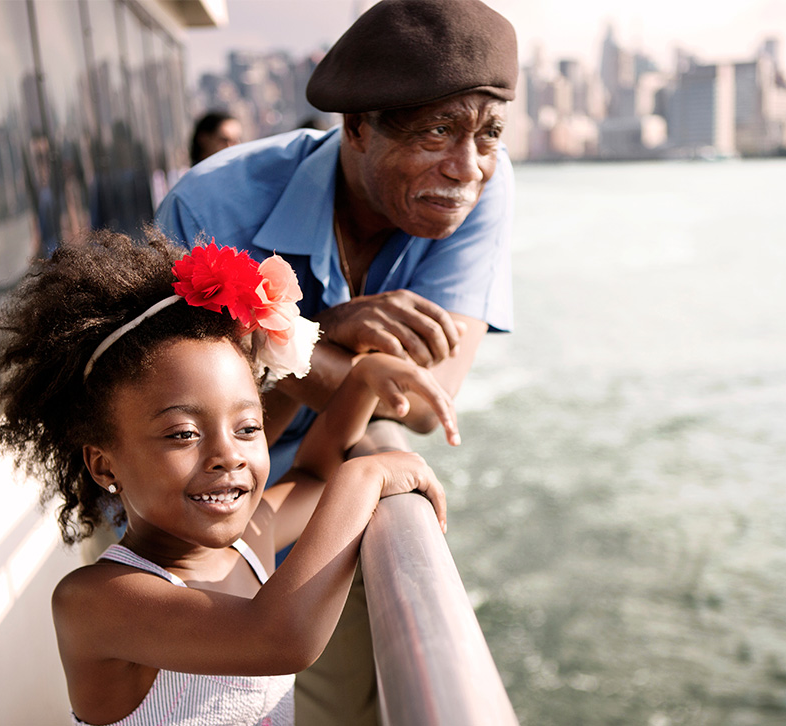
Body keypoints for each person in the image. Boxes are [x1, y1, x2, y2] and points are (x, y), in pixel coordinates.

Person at [155, 1, 518, 722]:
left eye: (490, 133)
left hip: (318, 506)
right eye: (439, 129)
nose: (468, 167)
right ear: (356, 127)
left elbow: (422, 403)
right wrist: (331, 335)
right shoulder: (212, 207)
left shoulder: (481, 190)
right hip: (186, 528)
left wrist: (289, 346)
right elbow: (180, 420)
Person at [0, 228, 458, 726]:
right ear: (105, 465)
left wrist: (360, 381)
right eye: (184, 434)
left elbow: (315, 473)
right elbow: (280, 638)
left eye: (248, 427)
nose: (228, 455)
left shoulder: (251, 542)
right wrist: (366, 475)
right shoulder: (98, 600)